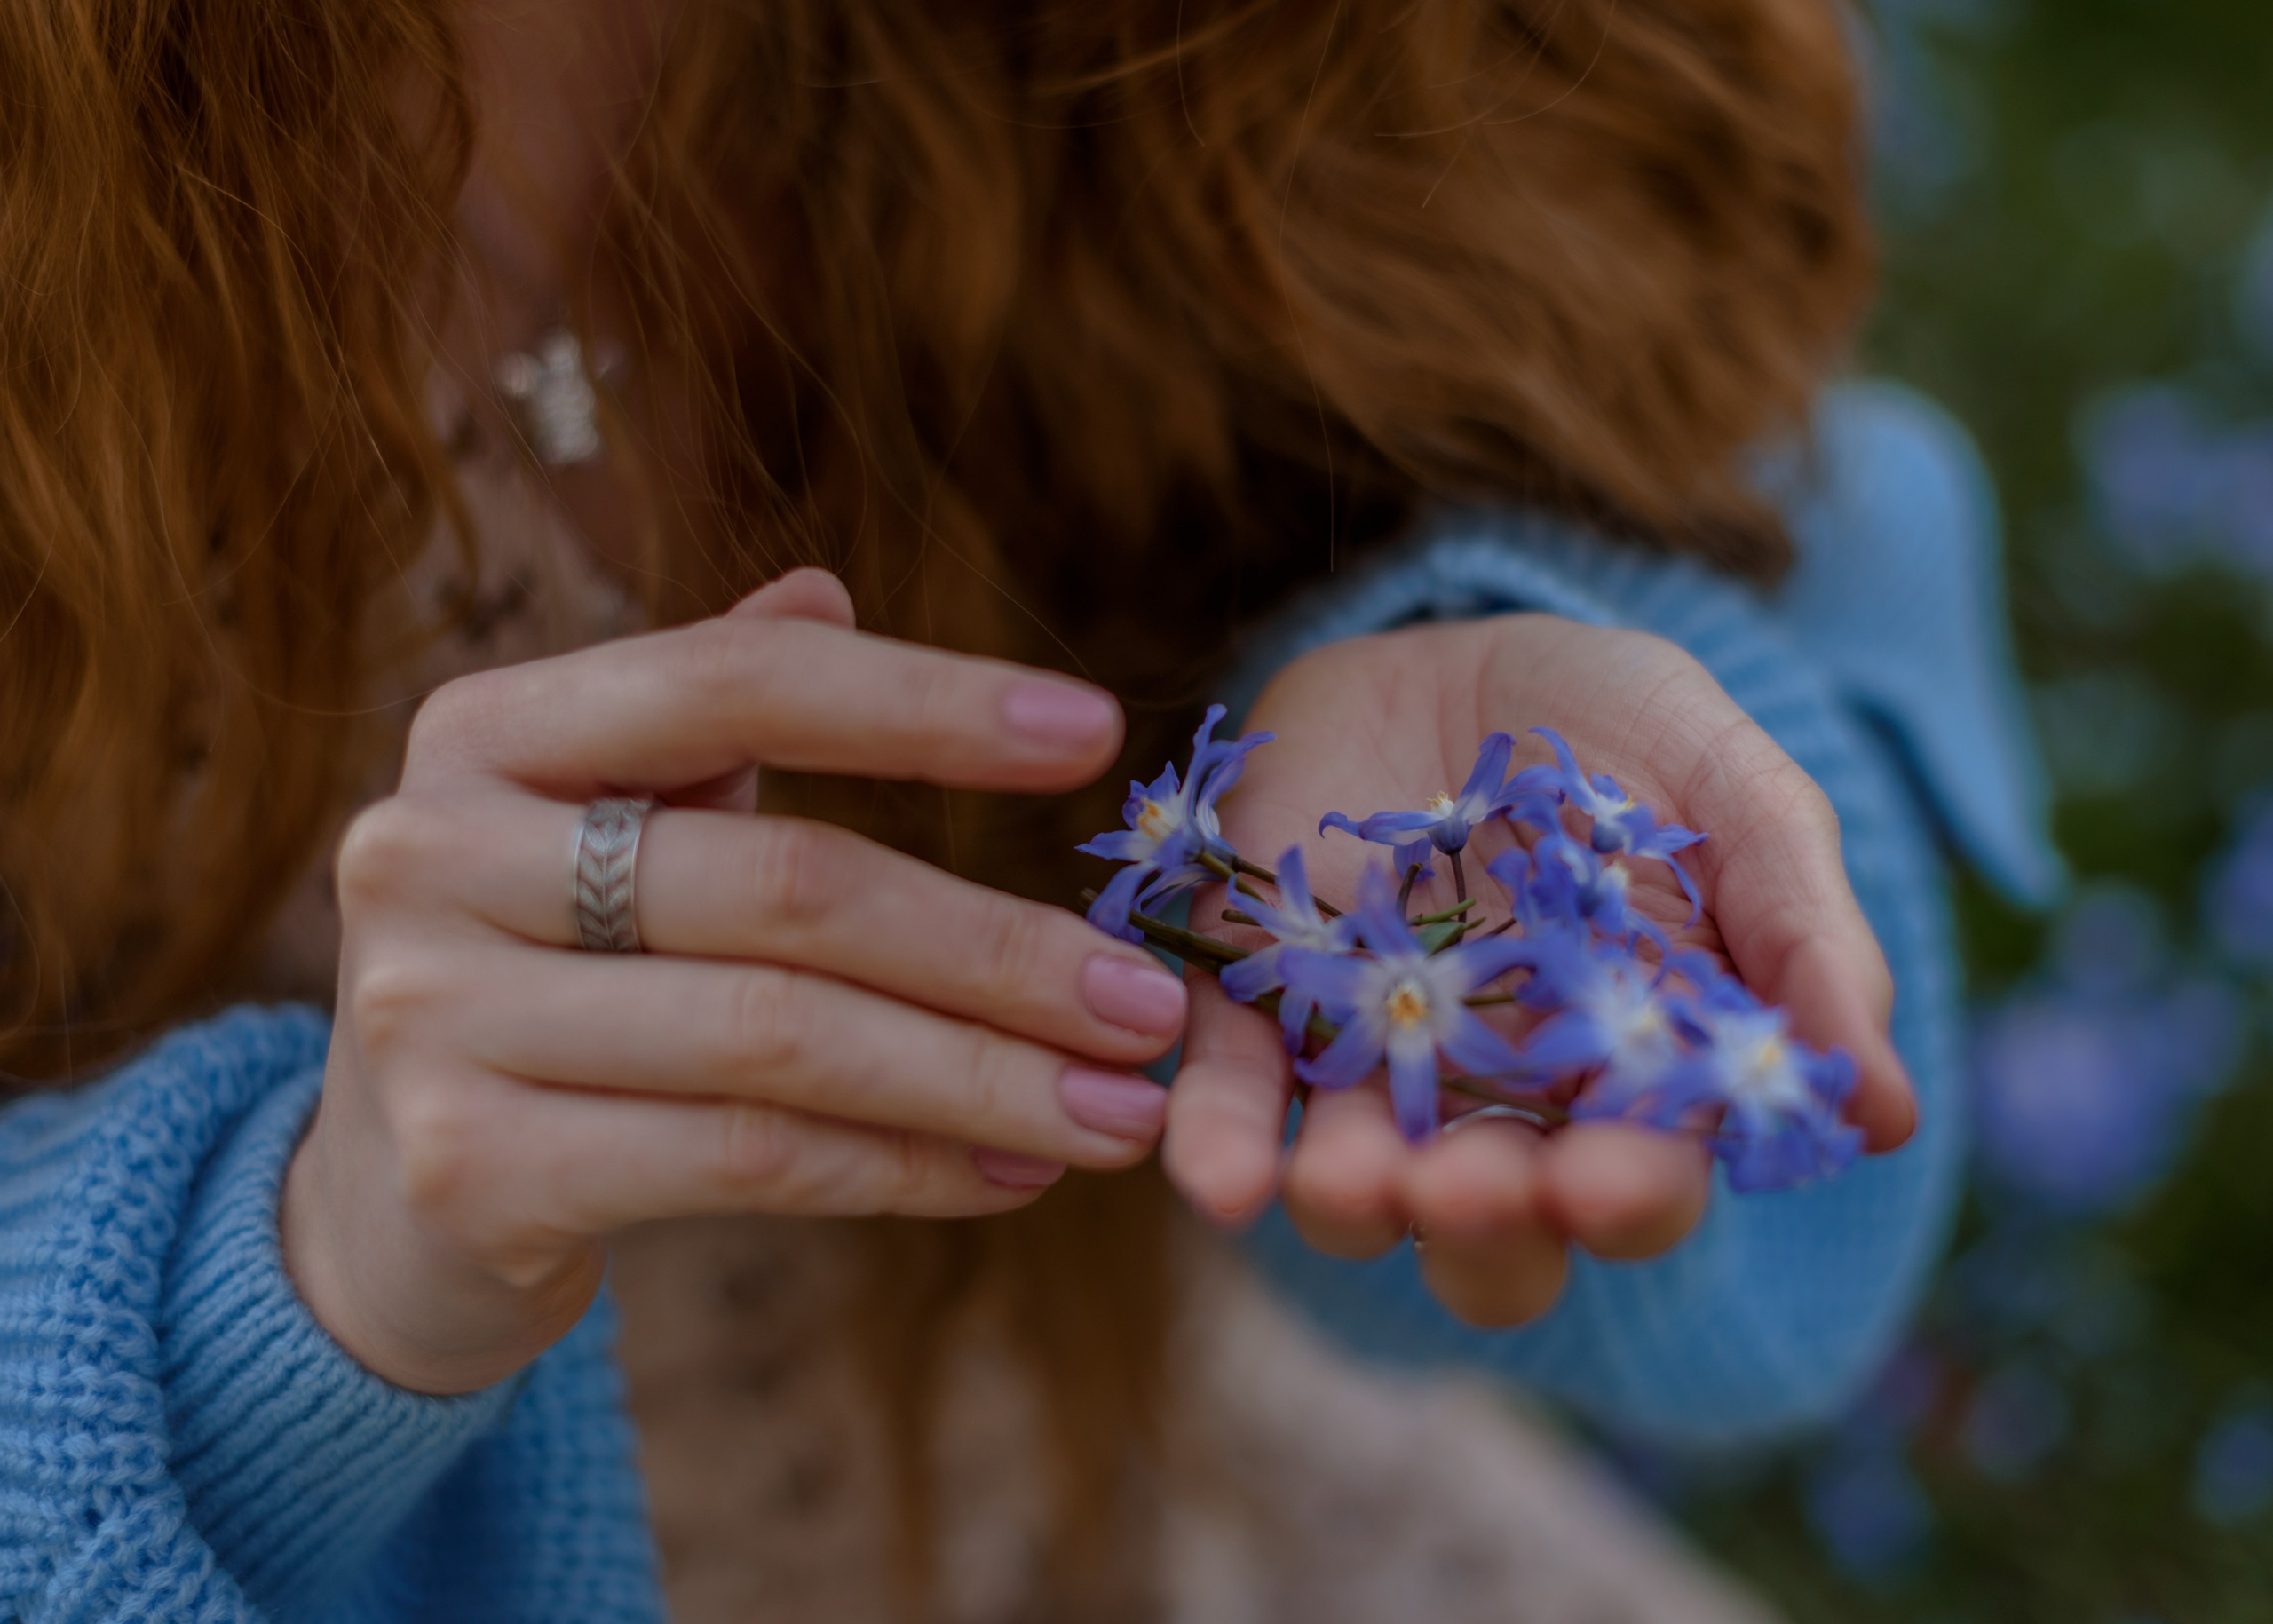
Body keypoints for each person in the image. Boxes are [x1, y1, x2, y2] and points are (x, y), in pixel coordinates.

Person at [0, 1, 2057, 1619]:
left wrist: (1492, 806)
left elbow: (1746, 1209)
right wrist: (281, 1296)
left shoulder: (1323, 61)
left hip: (1171, 1514)